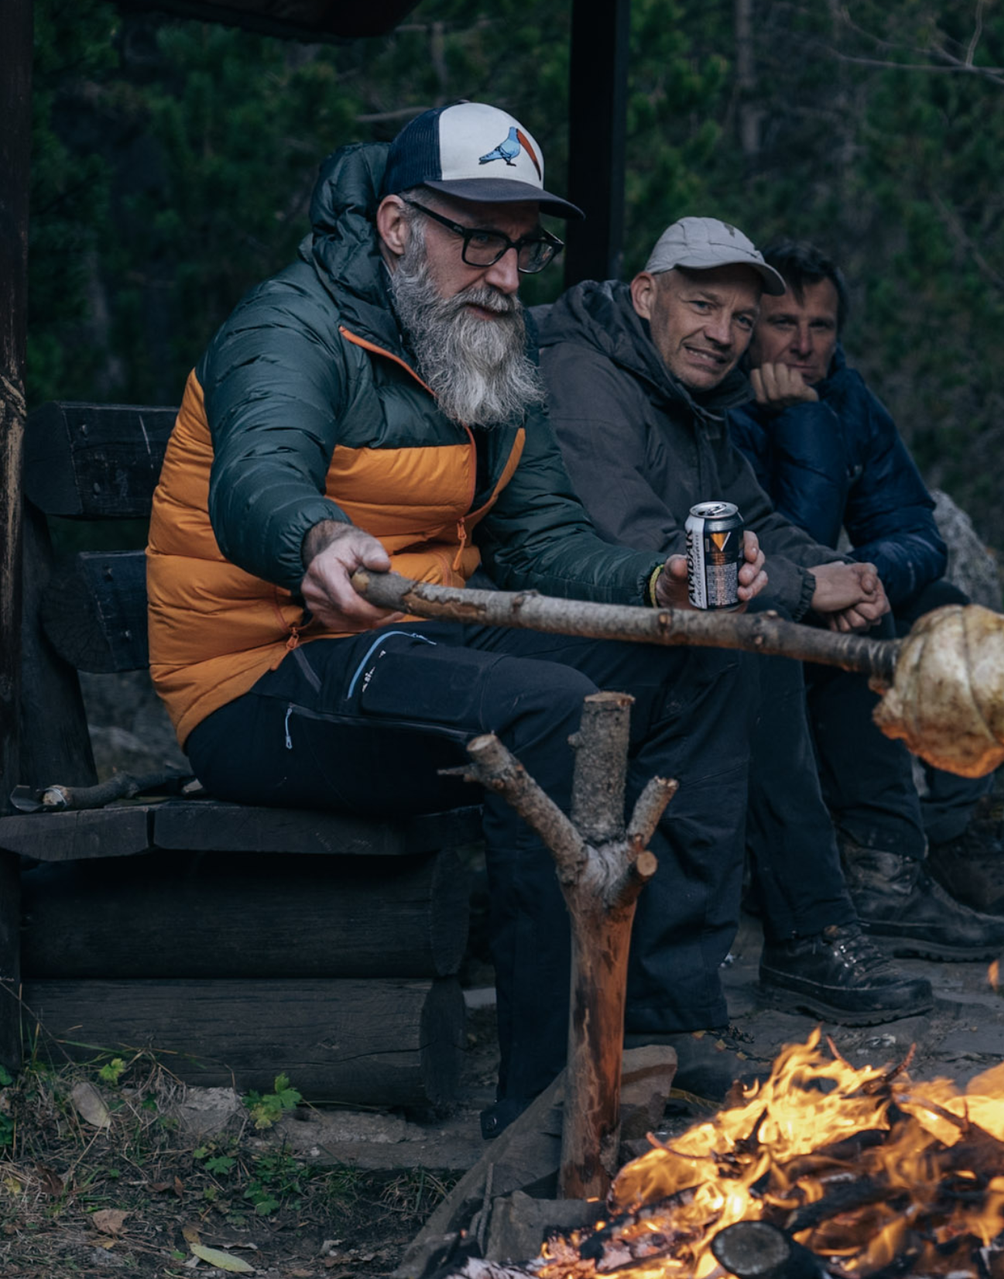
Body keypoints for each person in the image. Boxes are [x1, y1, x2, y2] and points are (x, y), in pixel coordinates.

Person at [146, 104, 772, 1136]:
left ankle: (663, 1017)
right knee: (549, 709)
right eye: (481, 239)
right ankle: (543, 1105)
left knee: (699, 659)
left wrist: (656, 584)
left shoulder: (483, 344)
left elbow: (546, 541)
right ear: (397, 225)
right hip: (268, 677)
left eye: (524, 246)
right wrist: (315, 538)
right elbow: (256, 475)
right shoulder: (289, 326)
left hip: (420, 641)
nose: (508, 274)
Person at [532, 219, 1004, 1023]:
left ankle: (882, 874)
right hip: (569, 626)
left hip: (659, 612)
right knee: (754, 638)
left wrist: (844, 575)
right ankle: (808, 927)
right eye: (703, 306)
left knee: (843, 624)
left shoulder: (683, 391)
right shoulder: (586, 376)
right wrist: (804, 585)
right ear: (647, 295)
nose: (724, 334)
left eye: (741, 319)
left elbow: (753, 516)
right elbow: (640, 543)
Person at [728, 240, 1004, 926]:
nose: (803, 344)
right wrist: (800, 422)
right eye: (783, 323)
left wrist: (869, 574)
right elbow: (782, 548)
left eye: (821, 325)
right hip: (756, 609)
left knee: (948, 615)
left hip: (830, 590)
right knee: (853, 631)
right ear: (749, 326)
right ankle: (877, 865)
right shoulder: (722, 400)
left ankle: (958, 835)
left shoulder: (848, 398)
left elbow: (915, 531)